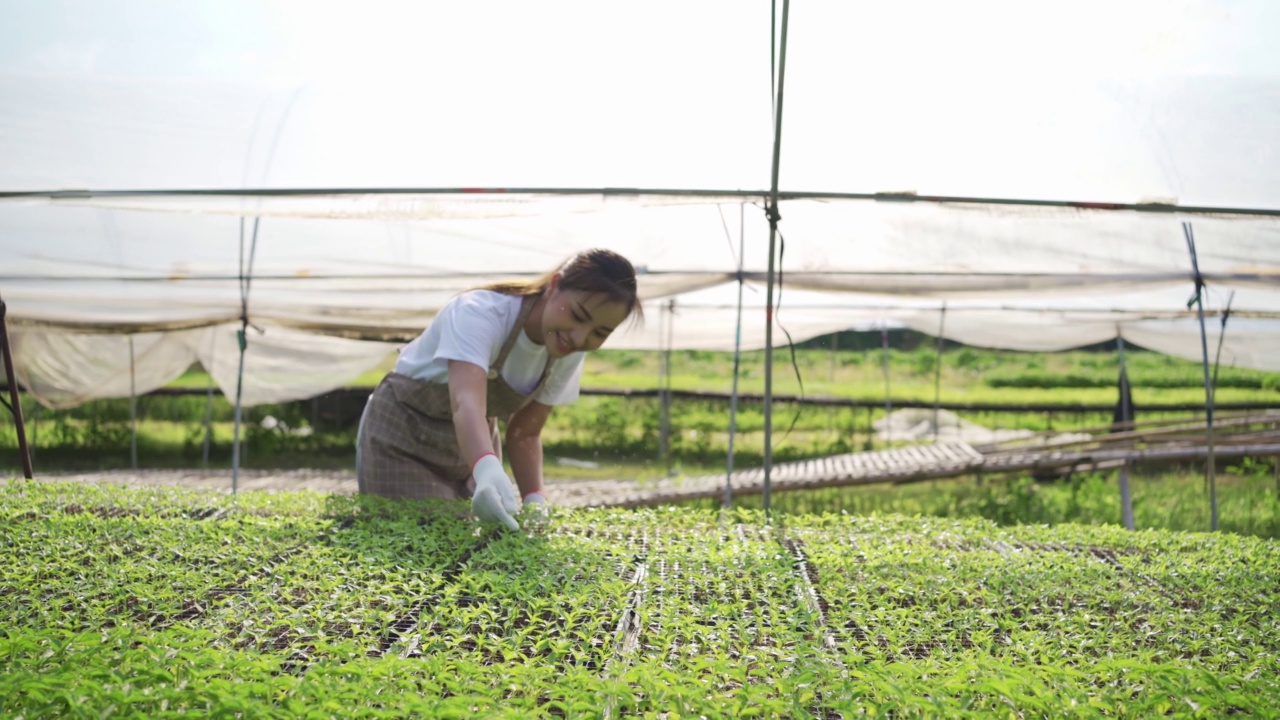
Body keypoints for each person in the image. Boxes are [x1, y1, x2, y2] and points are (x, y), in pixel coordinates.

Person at [356, 248, 641, 530]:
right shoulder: (480, 313)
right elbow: (465, 402)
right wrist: (487, 469)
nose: (580, 337)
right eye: (577, 315)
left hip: (467, 449)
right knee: (420, 541)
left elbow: (525, 433)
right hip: (403, 437)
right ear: (554, 285)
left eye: (600, 333)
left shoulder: (568, 351)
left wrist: (534, 500)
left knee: (474, 547)